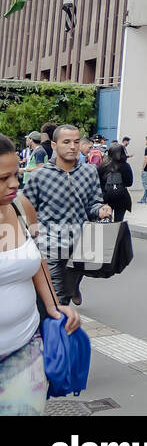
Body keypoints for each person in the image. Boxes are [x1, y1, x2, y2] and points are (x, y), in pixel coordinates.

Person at [1, 134, 82, 416]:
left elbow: (36, 258)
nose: (14, 184)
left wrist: (52, 305)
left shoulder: (21, 208)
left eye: (15, 174)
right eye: (3, 179)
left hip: (25, 346)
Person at [20, 125, 111, 306]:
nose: (72, 146)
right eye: (66, 142)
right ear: (54, 145)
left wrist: (101, 209)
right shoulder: (40, 175)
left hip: (80, 245)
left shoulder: (89, 172)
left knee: (68, 289)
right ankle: (57, 328)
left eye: (76, 142)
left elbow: (94, 202)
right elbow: (25, 201)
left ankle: (73, 289)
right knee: (57, 300)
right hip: (51, 245)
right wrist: (34, 227)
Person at [97, 142, 134, 223]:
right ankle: (117, 235)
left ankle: (108, 235)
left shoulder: (103, 166)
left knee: (106, 221)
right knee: (118, 222)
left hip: (106, 198)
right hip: (121, 197)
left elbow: (99, 183)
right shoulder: (125, 166)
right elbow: (129, 183)